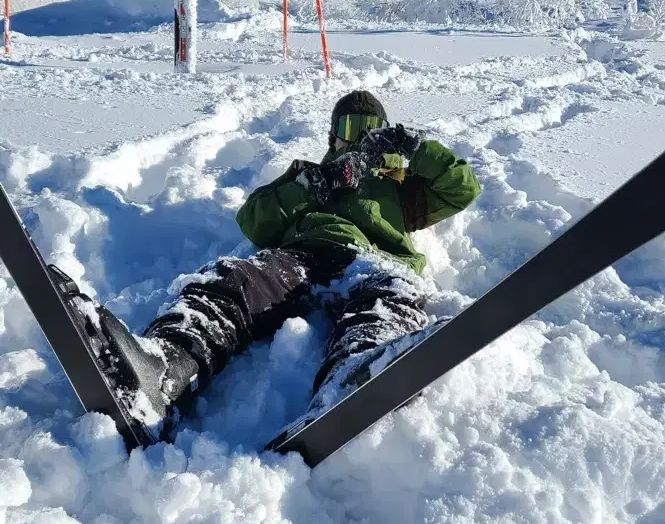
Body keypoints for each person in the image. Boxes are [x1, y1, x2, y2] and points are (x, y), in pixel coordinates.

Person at [76, 90, 482, 442]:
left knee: (390, 296)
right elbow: (254, 221)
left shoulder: (401, 187)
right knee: (233, 281)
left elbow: (463, 188)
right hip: (301, 258)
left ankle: (360, 370)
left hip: (372, 261)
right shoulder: (307, 176)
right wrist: (313, 184)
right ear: (332, 137)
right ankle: (163, 367)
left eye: (369, 130)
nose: (356, 139)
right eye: (348, 129)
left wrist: (415, 151)